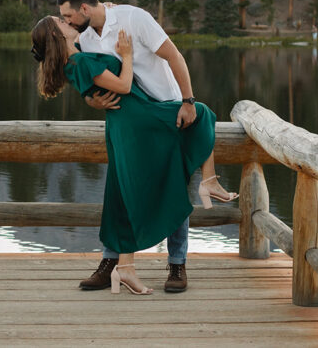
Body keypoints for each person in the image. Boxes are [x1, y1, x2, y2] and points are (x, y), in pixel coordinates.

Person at [31, 15, 235, 295]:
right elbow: (124, 86)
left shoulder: (79, 57)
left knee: (128, 188)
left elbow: (91, 87)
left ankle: (131, 266)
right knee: (200, 115)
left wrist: (92, 97)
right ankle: (207, 181)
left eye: (67, 17)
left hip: (130, 119)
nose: (68, 22)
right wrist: (126, 56)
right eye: (62, 22)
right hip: (136, 119)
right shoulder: (80, 60)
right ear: (57, 35)